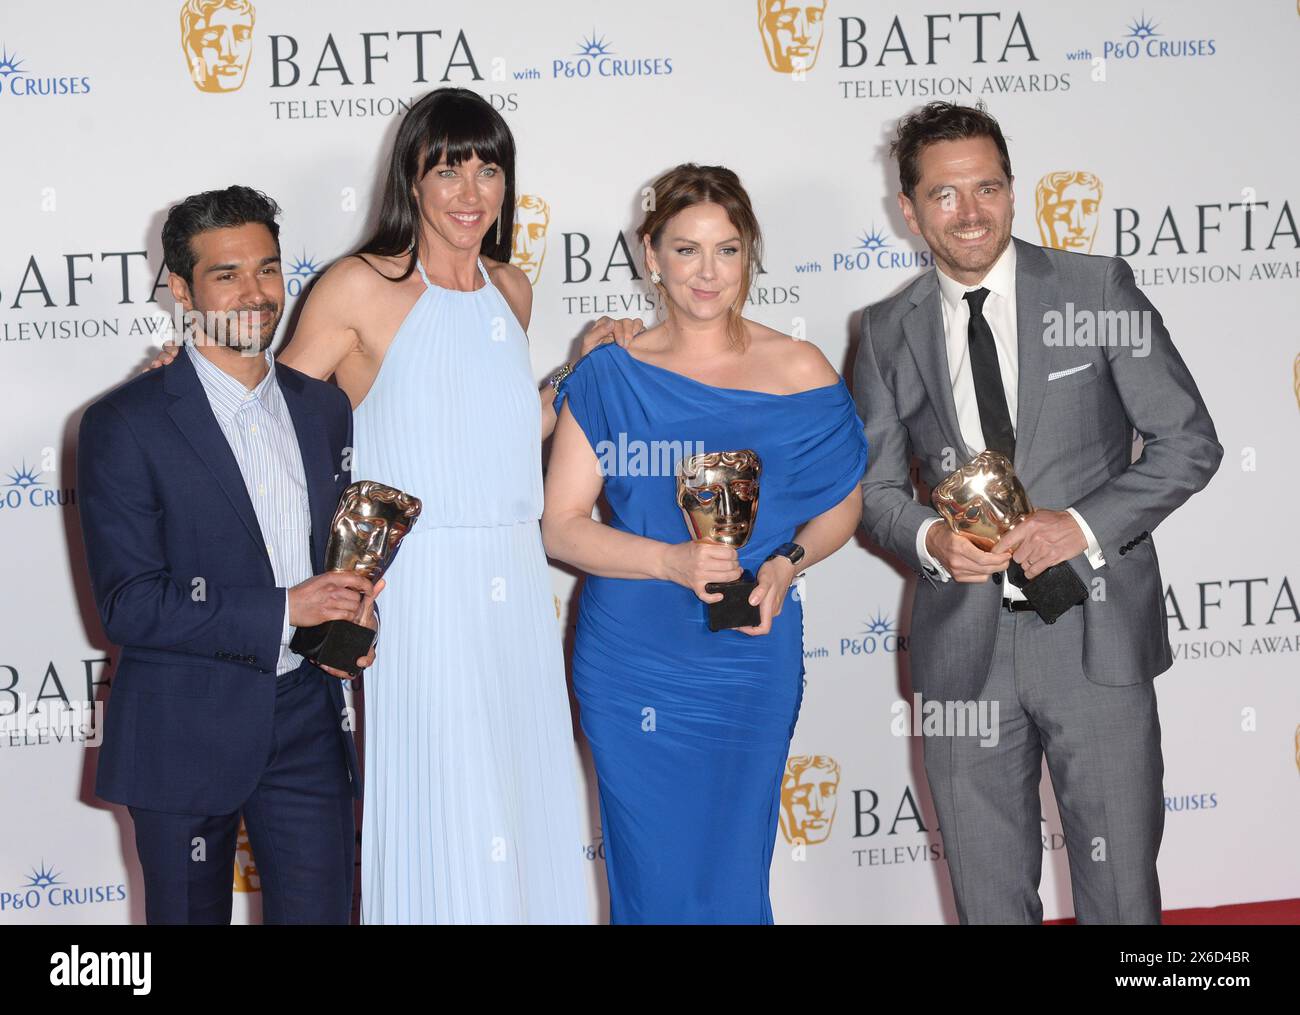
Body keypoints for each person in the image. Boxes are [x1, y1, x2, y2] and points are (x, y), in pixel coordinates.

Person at [146, 88, 638, 922]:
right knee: (449, 799)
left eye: (488, 168)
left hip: (511, 582)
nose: (470, 191)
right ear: (411, 177)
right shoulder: (357, 286)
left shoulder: (511, 288)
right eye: (447, 168)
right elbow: (270, 419)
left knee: (520, 797)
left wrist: (573, 376)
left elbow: (499, 430)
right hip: (418, 589)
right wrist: (182, 384)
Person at [852, 101, 1222, 924]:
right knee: (987, 899)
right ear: (908, 209)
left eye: (988, 188)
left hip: (1092, 636)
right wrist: (934, 537)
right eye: (945, 196)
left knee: (1123, 894)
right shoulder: (884, 331)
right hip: (964, 649)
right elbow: (873, 494)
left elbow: (1188, 442)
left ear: (1013, 191)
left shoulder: (1095, 287)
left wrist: (1080, 525)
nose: (971, 213)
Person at [542, 164, 868, 923]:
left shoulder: (799, 368)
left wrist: (788, 562)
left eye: (726, 249)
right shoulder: (610, 374)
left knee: (731, 870)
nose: (707, 272)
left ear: (750, 253)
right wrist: (670, 560)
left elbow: (842, 507)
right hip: (635, 661)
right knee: (653, 877)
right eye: (685, 250)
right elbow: (562, 525)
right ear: (649, 255)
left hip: (751, 652)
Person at [78, 185, 379, 924]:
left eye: (269, 269)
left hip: (307, 721)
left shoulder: (322, 406)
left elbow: (330, 552)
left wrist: (345, 621)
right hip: (183, 726)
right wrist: (286, 609)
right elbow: (129, 602)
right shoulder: (124, 423)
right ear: (181, 289)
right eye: (227, 274)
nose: (256, 292)